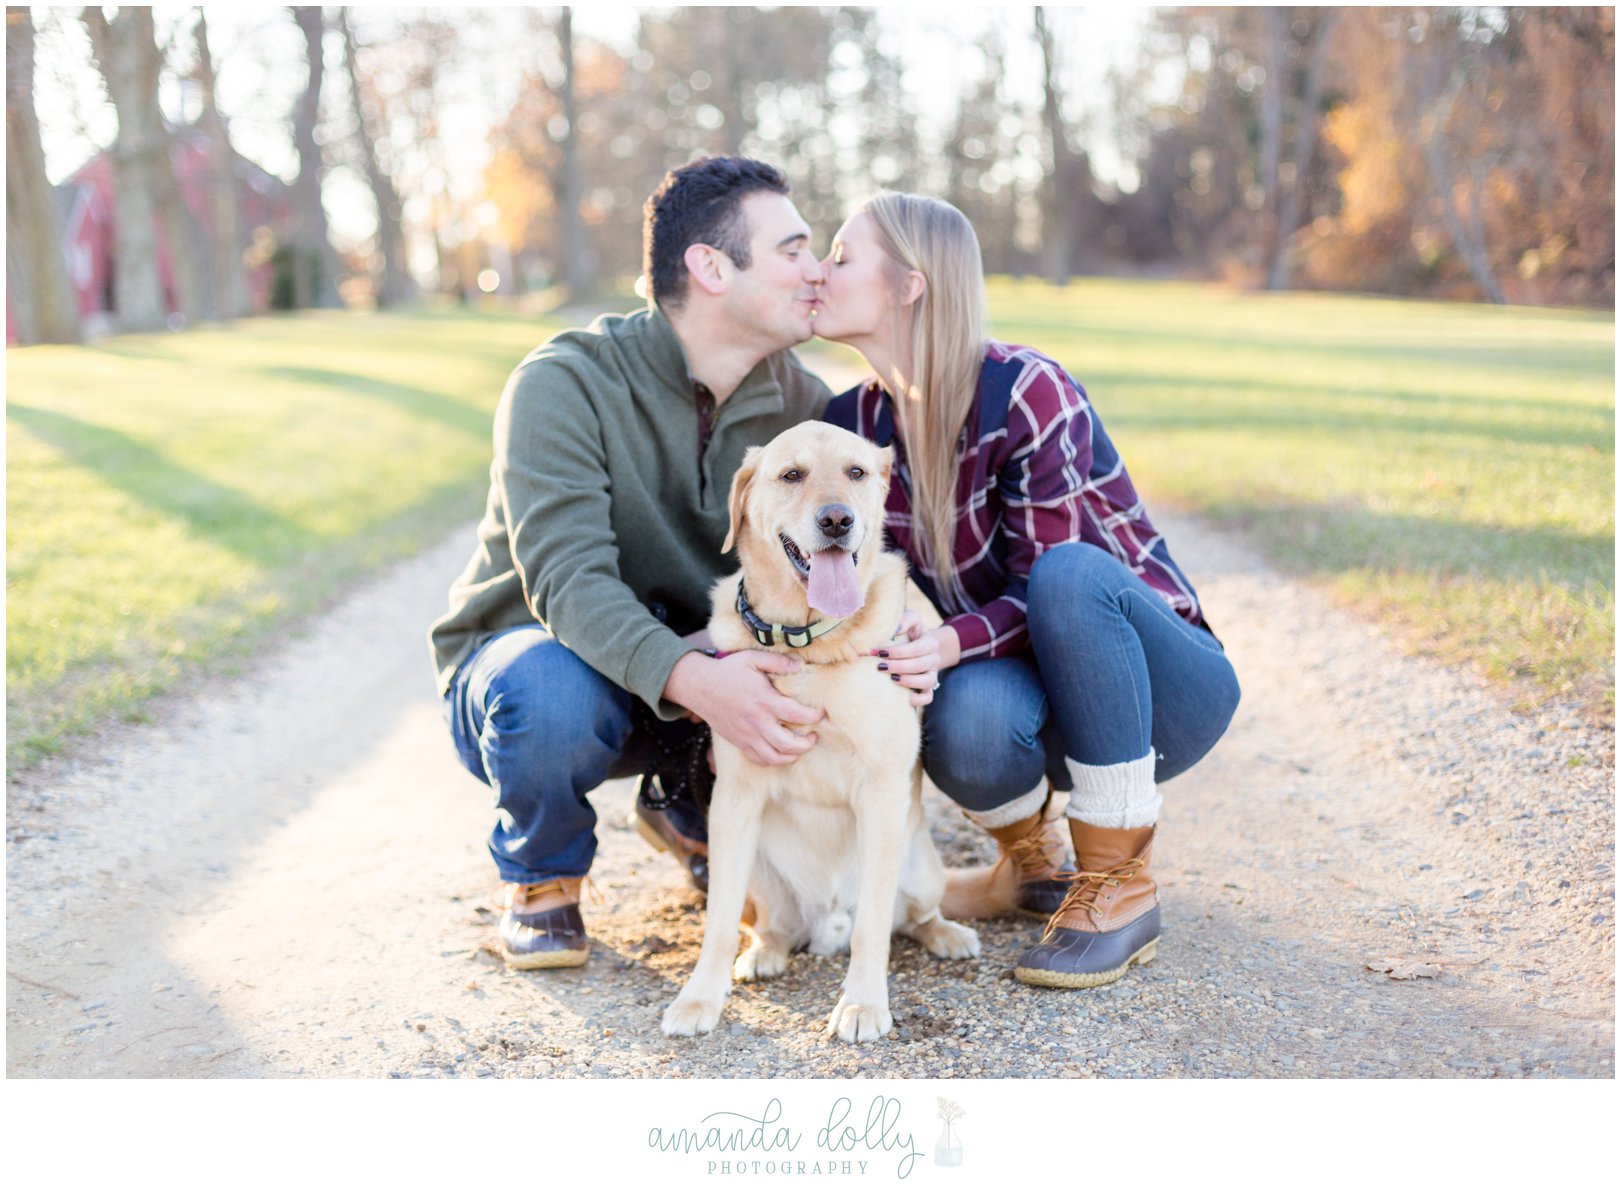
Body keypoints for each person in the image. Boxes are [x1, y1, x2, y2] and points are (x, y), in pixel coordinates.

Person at [814, 192, 1241, 989]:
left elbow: (1049, 587)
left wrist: (945, 641)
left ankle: (1119, 881)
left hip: (1159, 689)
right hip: (1030, 681)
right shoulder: (851, 426)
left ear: (909, 285)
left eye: (840, 254)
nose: (819, 270)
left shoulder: (1025, 391)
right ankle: (1030, 866)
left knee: (1066, 572)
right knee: (963, 720)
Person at [429, 157, 834, 970]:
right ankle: (541, 873)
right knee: (544, 692)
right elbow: (567, 584)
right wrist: (705, 682)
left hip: (700, 667)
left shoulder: (806, 409)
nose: (815, 269)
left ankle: (688, 800)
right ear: (711, 266)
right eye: (791, 249)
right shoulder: (563, 383)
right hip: (542, 664)